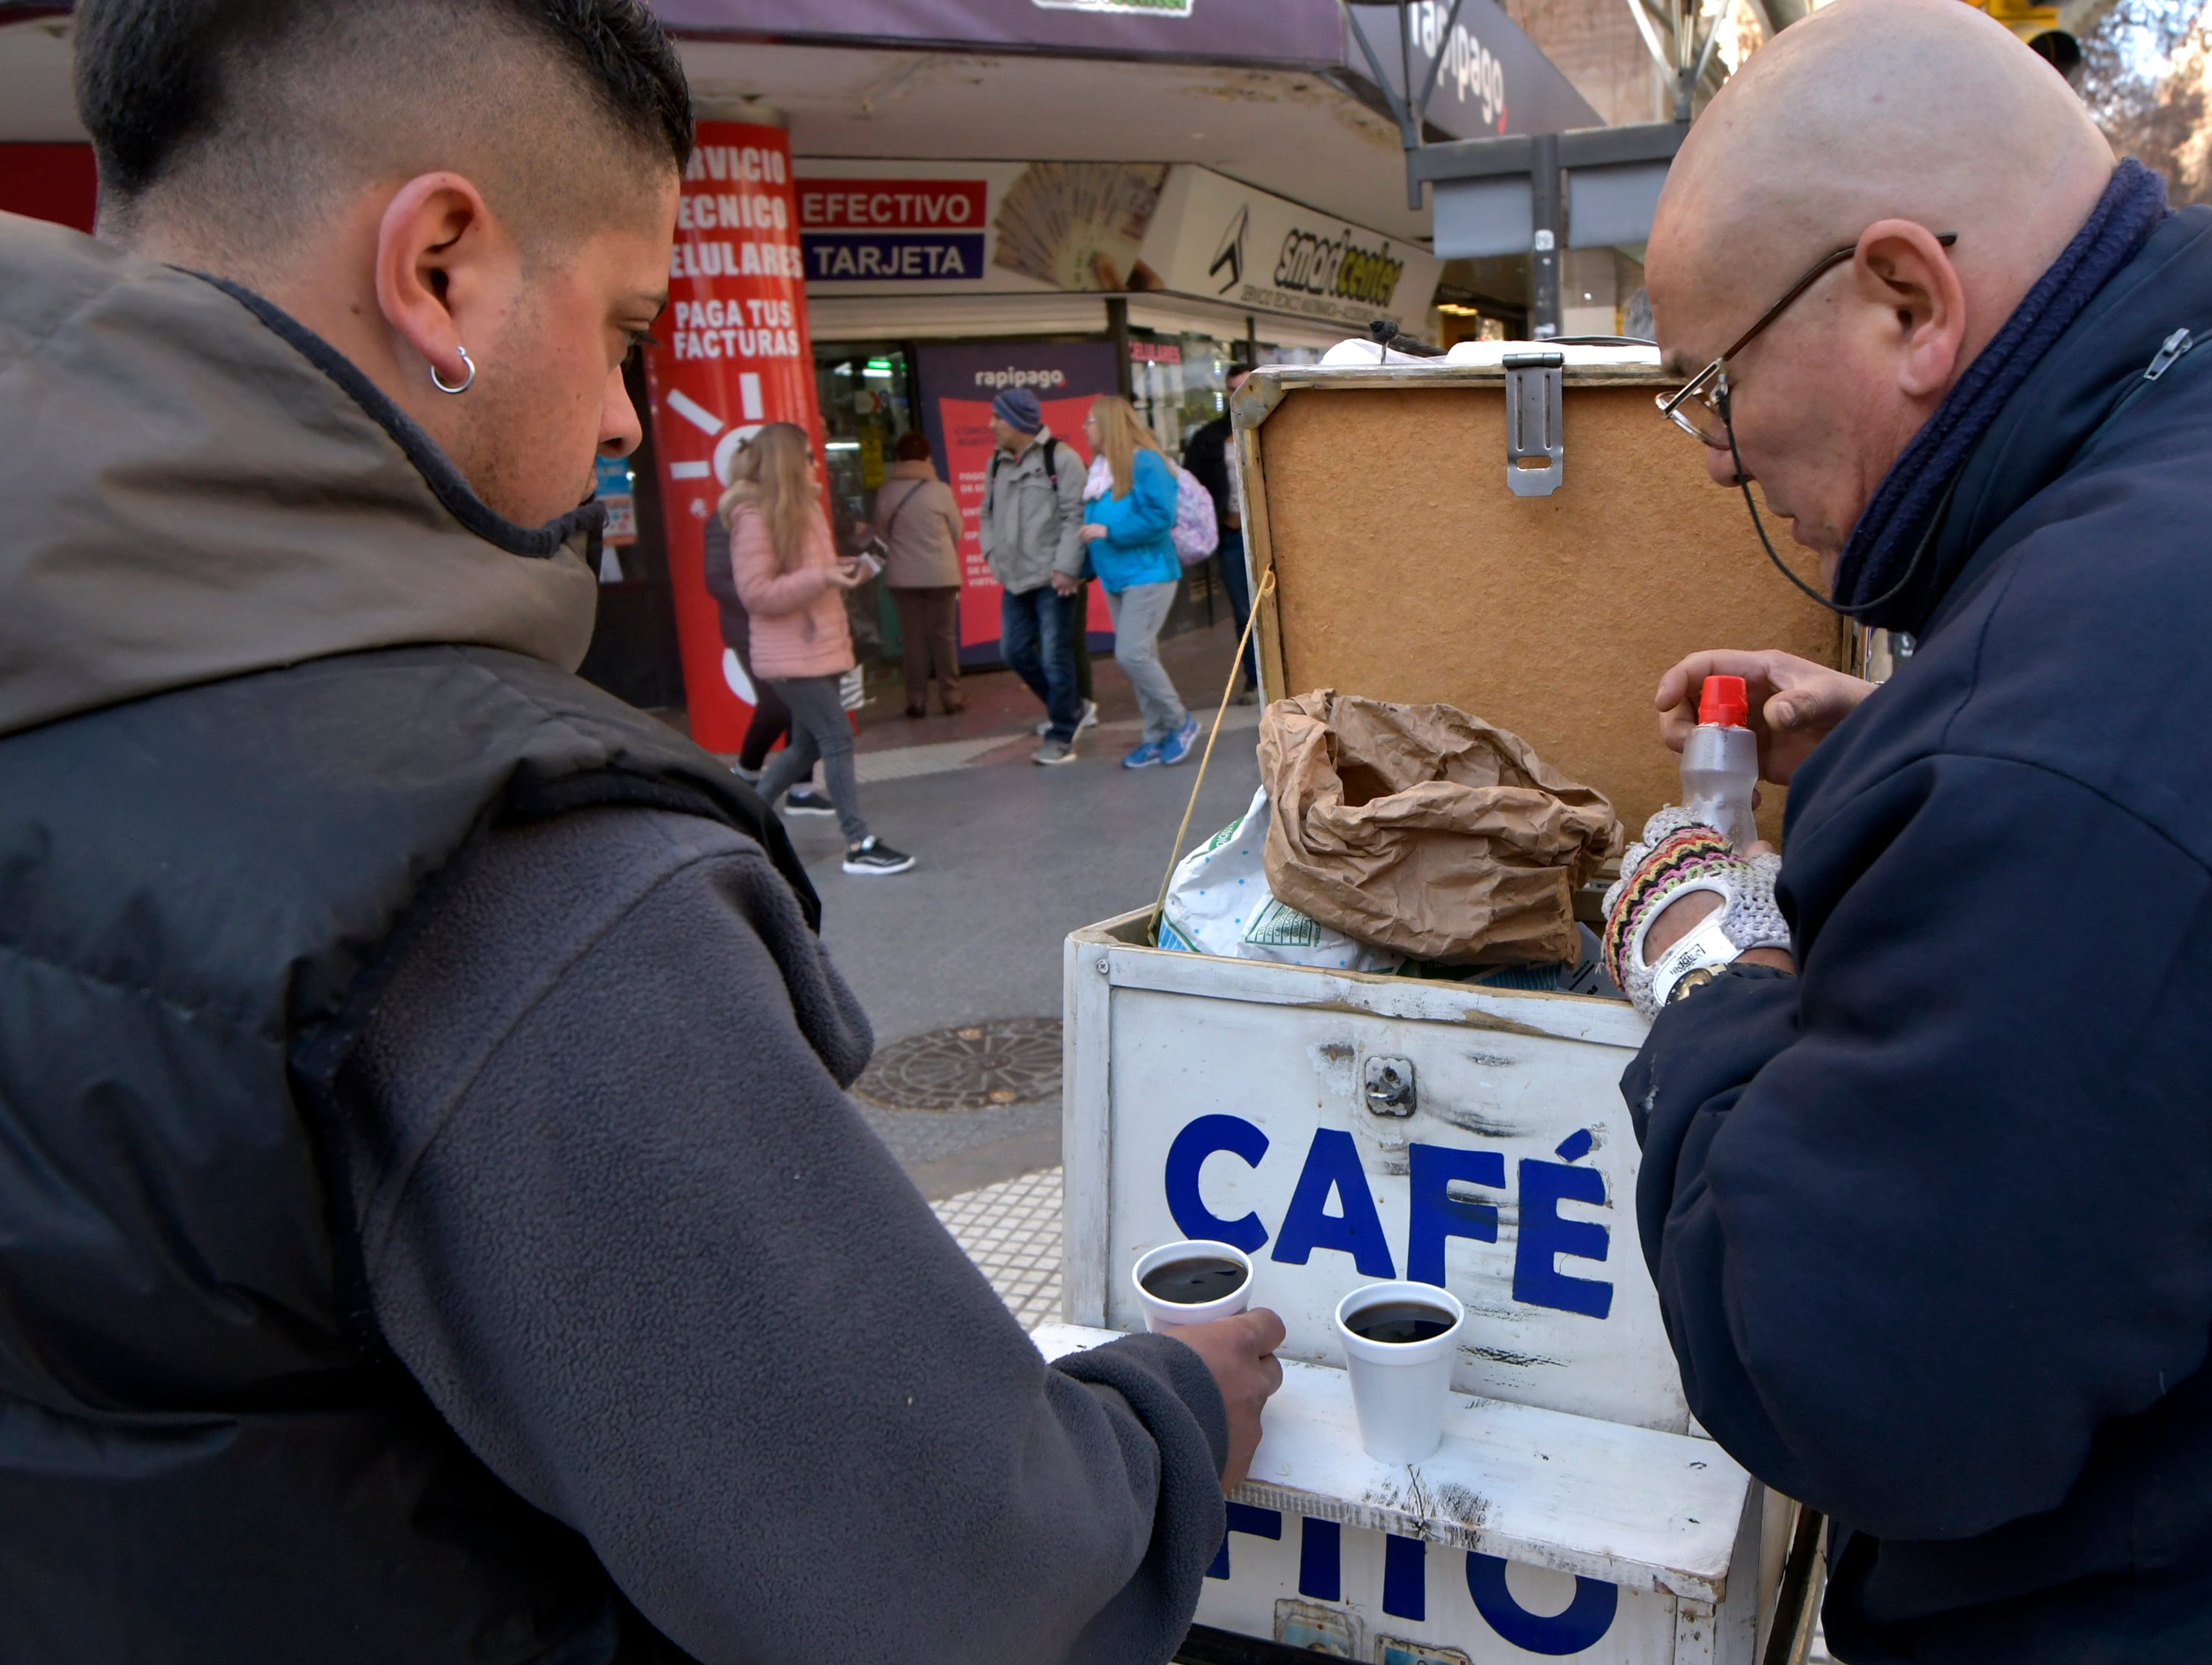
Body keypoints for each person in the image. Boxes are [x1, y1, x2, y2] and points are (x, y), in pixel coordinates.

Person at [0, 4, 1289, 1662]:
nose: (624, 417)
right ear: (442, 270)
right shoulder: (515, 872)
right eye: (622, 327)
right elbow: (942, 1575)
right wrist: (1170, 1419)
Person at [1597, 0, 2212, 1659]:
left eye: (1712, 384)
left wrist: (1706, 963)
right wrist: (1930, 756)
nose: (1711, 460)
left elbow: (1865, 1383)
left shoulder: (2097, 719)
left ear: (1908, 297)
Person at [724, 424, 914, 875]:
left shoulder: (802, 507)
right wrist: (822, 577)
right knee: (836, 736)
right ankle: (858, 842)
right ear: (788, 461)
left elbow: (808, 574)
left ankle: (742, 820)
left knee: (806, 748)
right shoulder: (752, 516)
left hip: (820, 646)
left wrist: (840, 570)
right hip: (791, 655)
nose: (816, 463)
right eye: (808, 456)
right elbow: (756, 593)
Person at [980, 385, 1098, 765]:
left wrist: (1065, 568)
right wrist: (992, 554)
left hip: (1053, 578)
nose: (991, 424)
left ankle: (1062, 733)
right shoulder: (996, 462)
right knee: (1012, 651)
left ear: (1017, 421)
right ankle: (1071, 708)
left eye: (998, 418)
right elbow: (986, 513)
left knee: (1054, 656)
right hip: (1013, 577)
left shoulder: (1061, 459)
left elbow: (1075, 516)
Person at [1081, 393, 1199, 769]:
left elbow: (1158, 517)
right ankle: (1155, 736)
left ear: (1108, 425)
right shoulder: (1103, 467)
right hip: (1119, 577)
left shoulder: (1146, 461)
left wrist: (1107, 529)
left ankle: (1180, 722)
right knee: (1140, 657)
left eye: (1090, 421)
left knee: (1130, 654)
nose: (1084, 428)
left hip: (1149, 574)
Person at [874, 430, 966, 718]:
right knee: (944, 636)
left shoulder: (887, 492)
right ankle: (951, 696)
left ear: (898, 458)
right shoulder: (941, 491)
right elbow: (957, 530)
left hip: (904, 577)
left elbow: (881, 535)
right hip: (941, 575)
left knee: (913, 638)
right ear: (928, 457)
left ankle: (916, 700)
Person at [1181, 362, 1259, 701]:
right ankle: (1255, 679)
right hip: (1229, 533)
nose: (1238, 395)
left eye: (1245, 386)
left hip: (1268, 531)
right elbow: (1190, 488)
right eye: (1232, 389)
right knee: (1244, 611)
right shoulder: (1209, 438)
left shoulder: (1271, 427)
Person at [700, 503, 792, 778]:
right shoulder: (725, 519)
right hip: (747, 628)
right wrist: (763, 598)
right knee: (776, 704)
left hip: (790, 623)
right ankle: (747, 772)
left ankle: (801, 789)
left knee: (802, 705)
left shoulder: (784, 510)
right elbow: (715, 580)